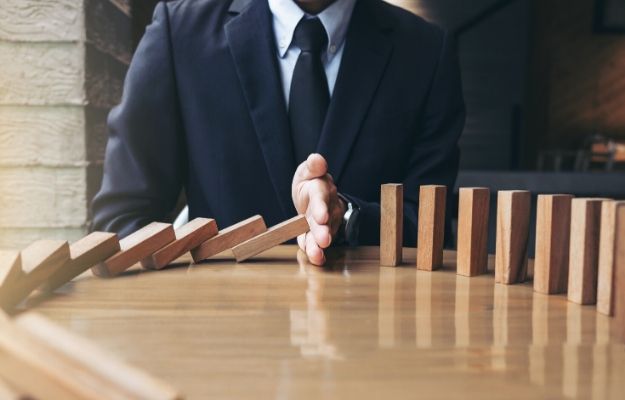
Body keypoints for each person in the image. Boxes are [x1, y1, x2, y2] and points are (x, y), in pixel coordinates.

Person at [91, 0, 465, 266]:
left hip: (365, 347)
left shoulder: (426, 52)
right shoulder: (180, 34)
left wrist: (346, 215)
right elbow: (122, 222)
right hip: (224, 349)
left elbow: (430, 230)